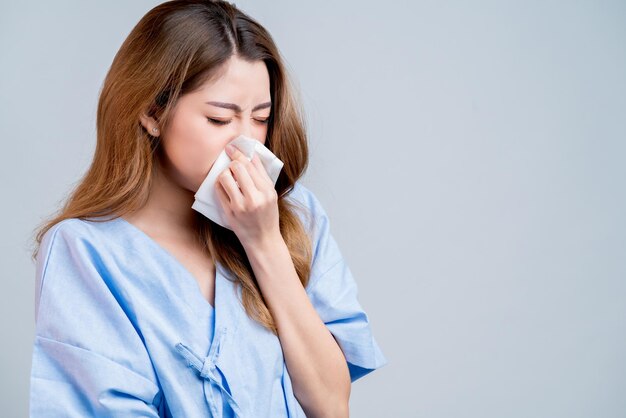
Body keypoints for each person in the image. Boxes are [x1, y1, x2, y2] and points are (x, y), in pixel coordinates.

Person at [28, 1, 387, 416]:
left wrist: (264, 242)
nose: (245, 144)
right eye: (220, 119)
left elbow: (330, 405)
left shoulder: (295, 216)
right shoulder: (86, 253)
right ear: (151, 111)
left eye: (261, 118)